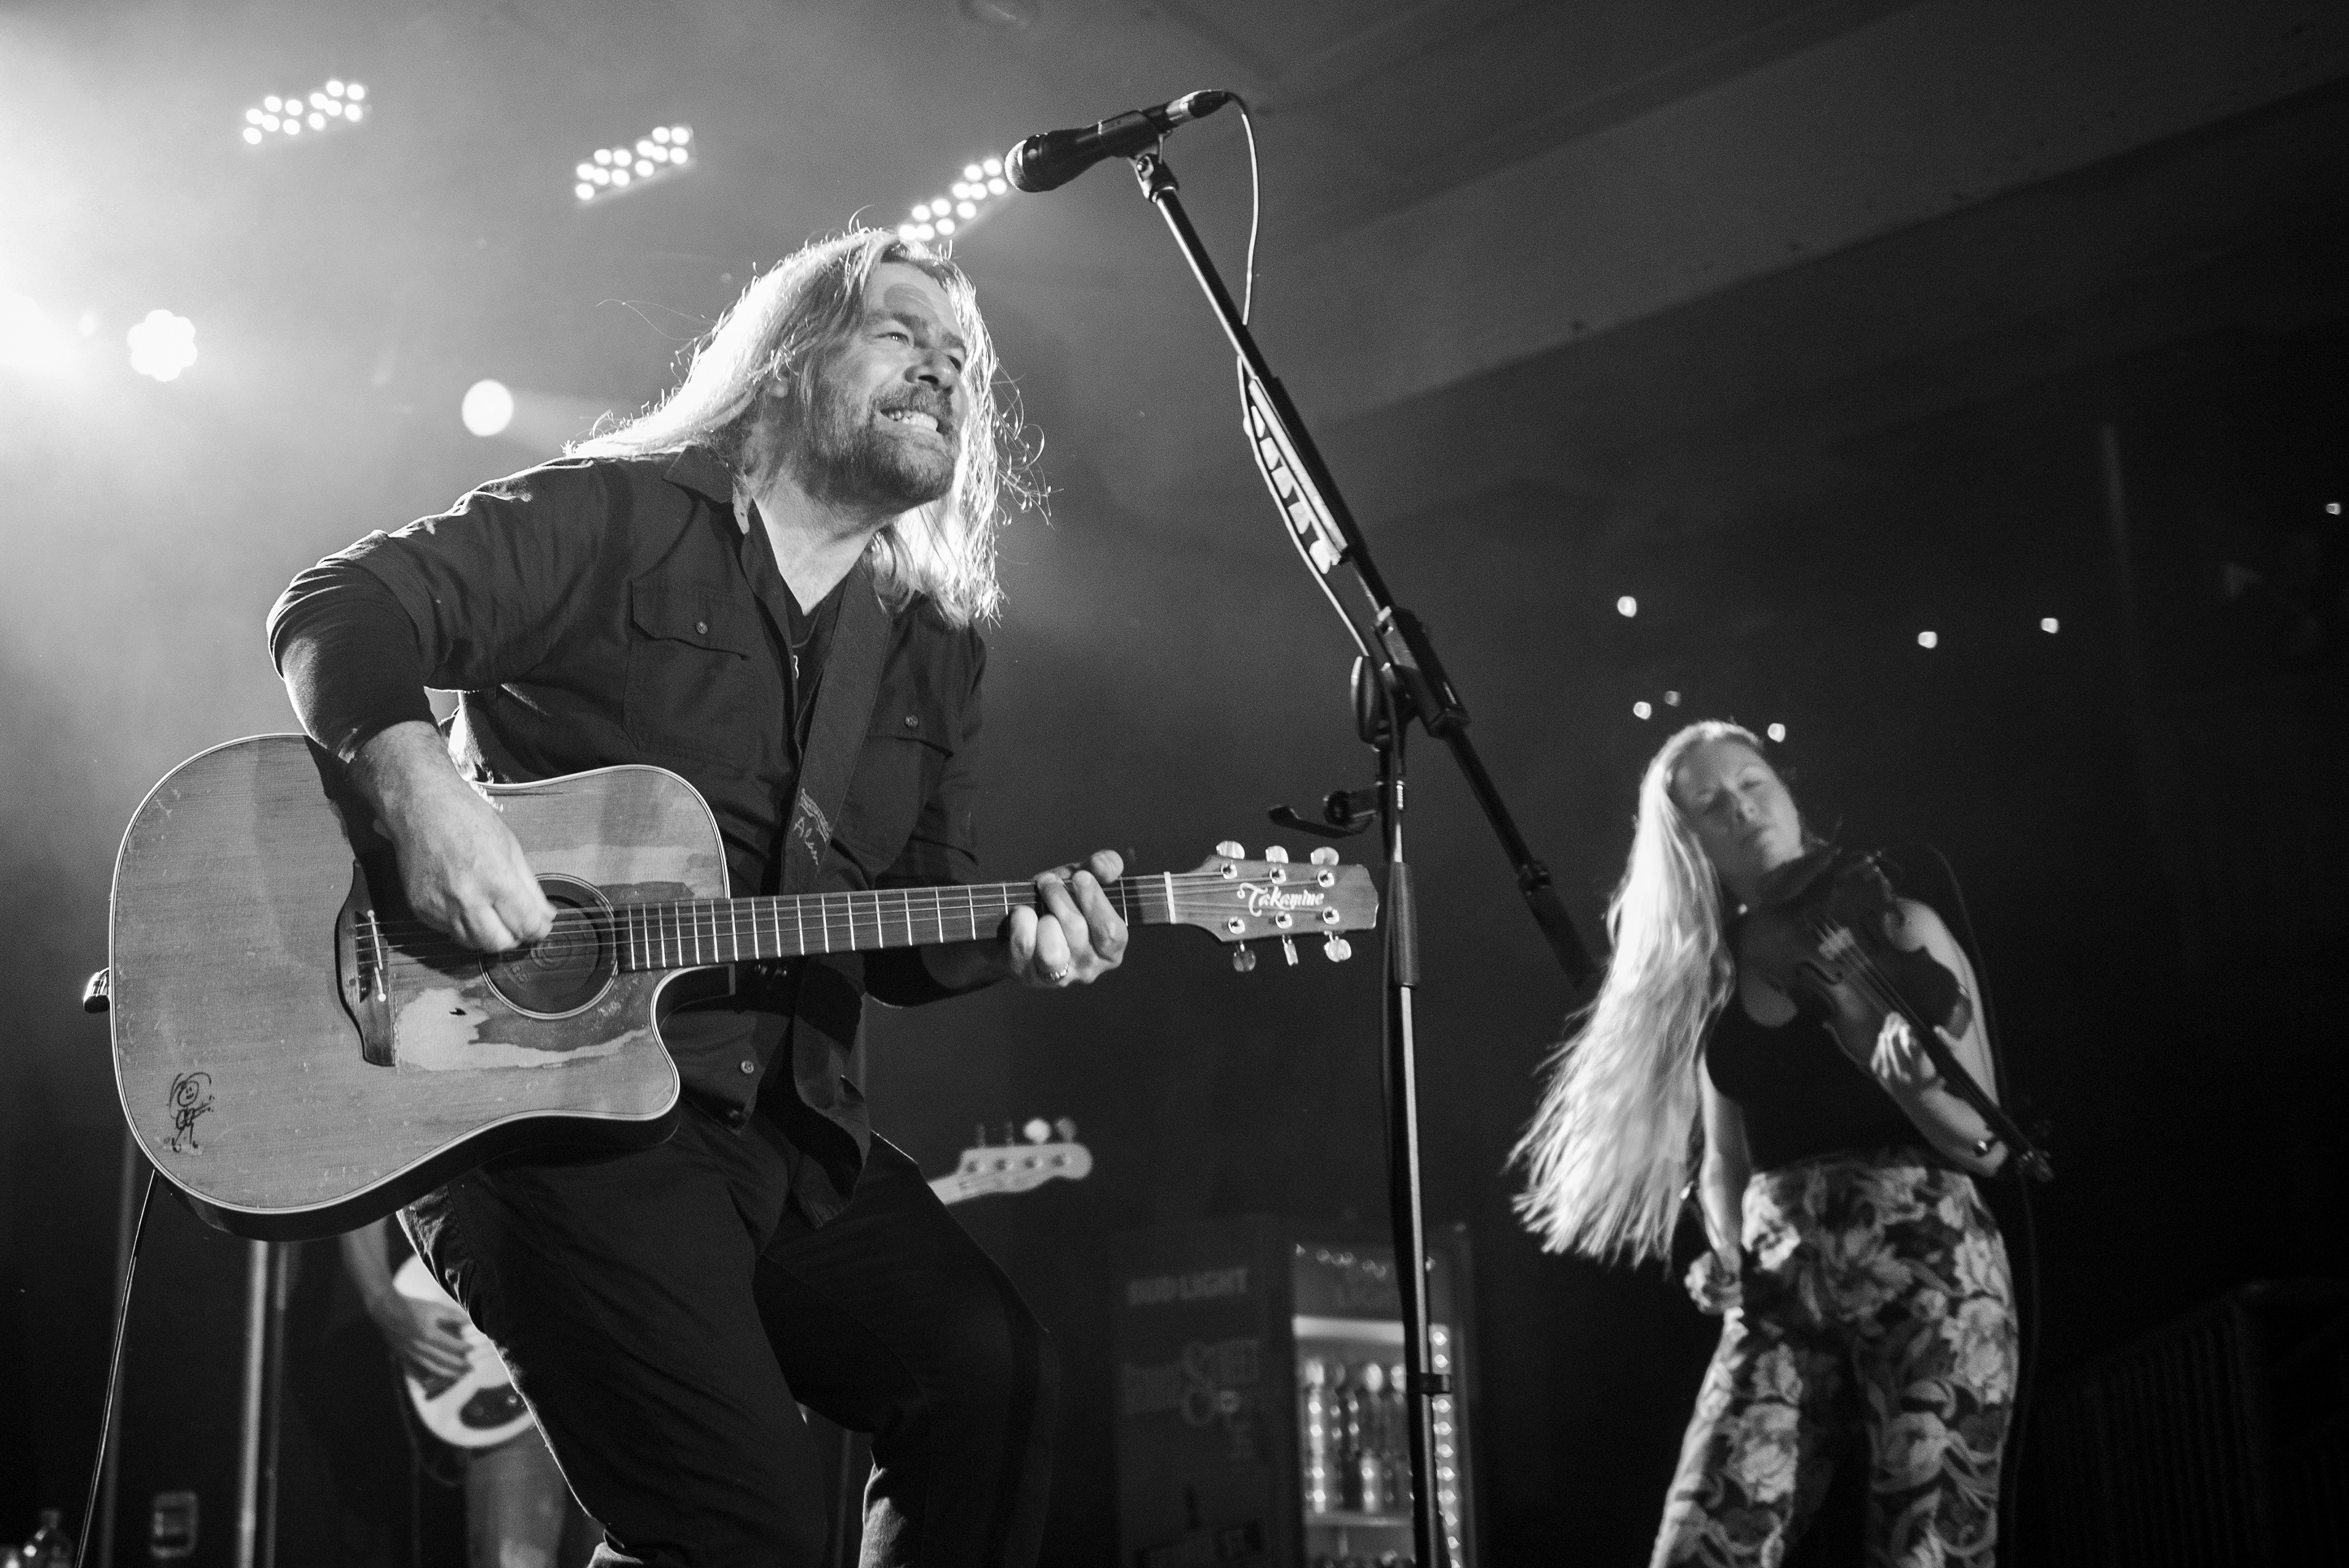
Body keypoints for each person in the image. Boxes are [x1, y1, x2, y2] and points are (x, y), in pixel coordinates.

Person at [267, 228, 1127, 1567]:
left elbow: (913, 924)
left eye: (962, 360)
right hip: (550, 1125)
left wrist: (1027, 944)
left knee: (992, 1377)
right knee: (741, 1535)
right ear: (785, 362)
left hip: (782, 1130)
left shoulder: (933, 643)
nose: (944, 374)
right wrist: (420, 787)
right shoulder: (617, 520)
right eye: (902, 335)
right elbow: (339, 605)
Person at [1513, 721, 2017, 1567]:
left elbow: (1988, 1145)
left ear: (1786, 791)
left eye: (1754, 783)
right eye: (1713, 804)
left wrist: (1910, 1086)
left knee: (1928, 1547)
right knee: (1702, 1544)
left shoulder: (1898, 923)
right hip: (1781, 1291)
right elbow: (1724, 1162)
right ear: (1691, 846)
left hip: (1931, 1271)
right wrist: (1728, 1247)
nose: (1743, 809)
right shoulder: (1713, 975)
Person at [339, 1216, 598, 1568]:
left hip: (615, 1385)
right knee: (513, 1559)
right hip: (513, 1389)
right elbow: (361, 1195)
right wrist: (385, 1303)